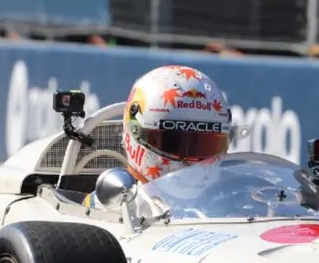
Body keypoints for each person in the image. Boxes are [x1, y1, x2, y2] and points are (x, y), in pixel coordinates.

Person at [83, 64, 232, 208]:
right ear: (134, 132)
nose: (192, 162)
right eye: (174, 142)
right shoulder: (103, 209)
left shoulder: (234, 204)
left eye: (206, 144)